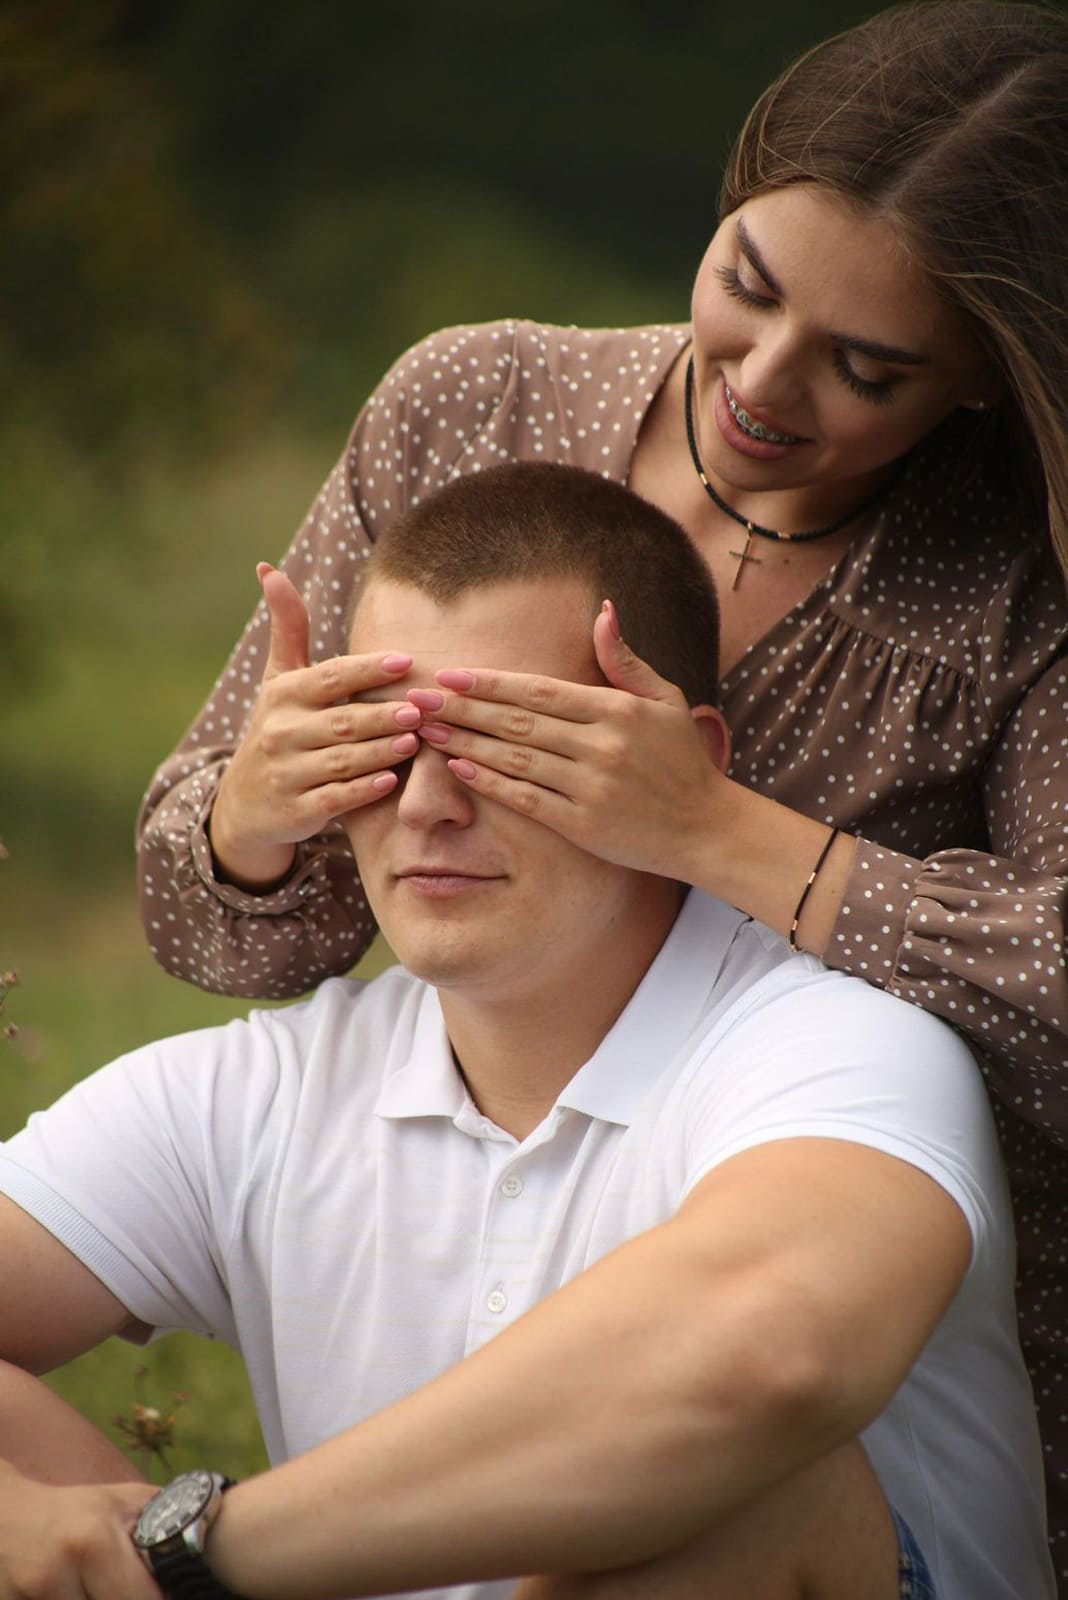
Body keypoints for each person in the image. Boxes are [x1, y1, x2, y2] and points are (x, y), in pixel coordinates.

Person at [135, 0, 1068, 1579]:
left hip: (865, 1357)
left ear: (983, 376)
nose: (765, 382)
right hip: (476, 1249)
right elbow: (218, 936)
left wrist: (724, 835)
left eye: (867, 367)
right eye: (746, 285)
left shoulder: (1022, 578)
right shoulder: (471, 408)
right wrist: (254, 820)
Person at [0, 463, 1054, 1599]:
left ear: (684, 765)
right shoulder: (261, 1088)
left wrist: (197, 1552)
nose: (426, 805)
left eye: (503, 743)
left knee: (751, 1496)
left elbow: (771, 1354)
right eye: (379, 745)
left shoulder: (844, 1045)